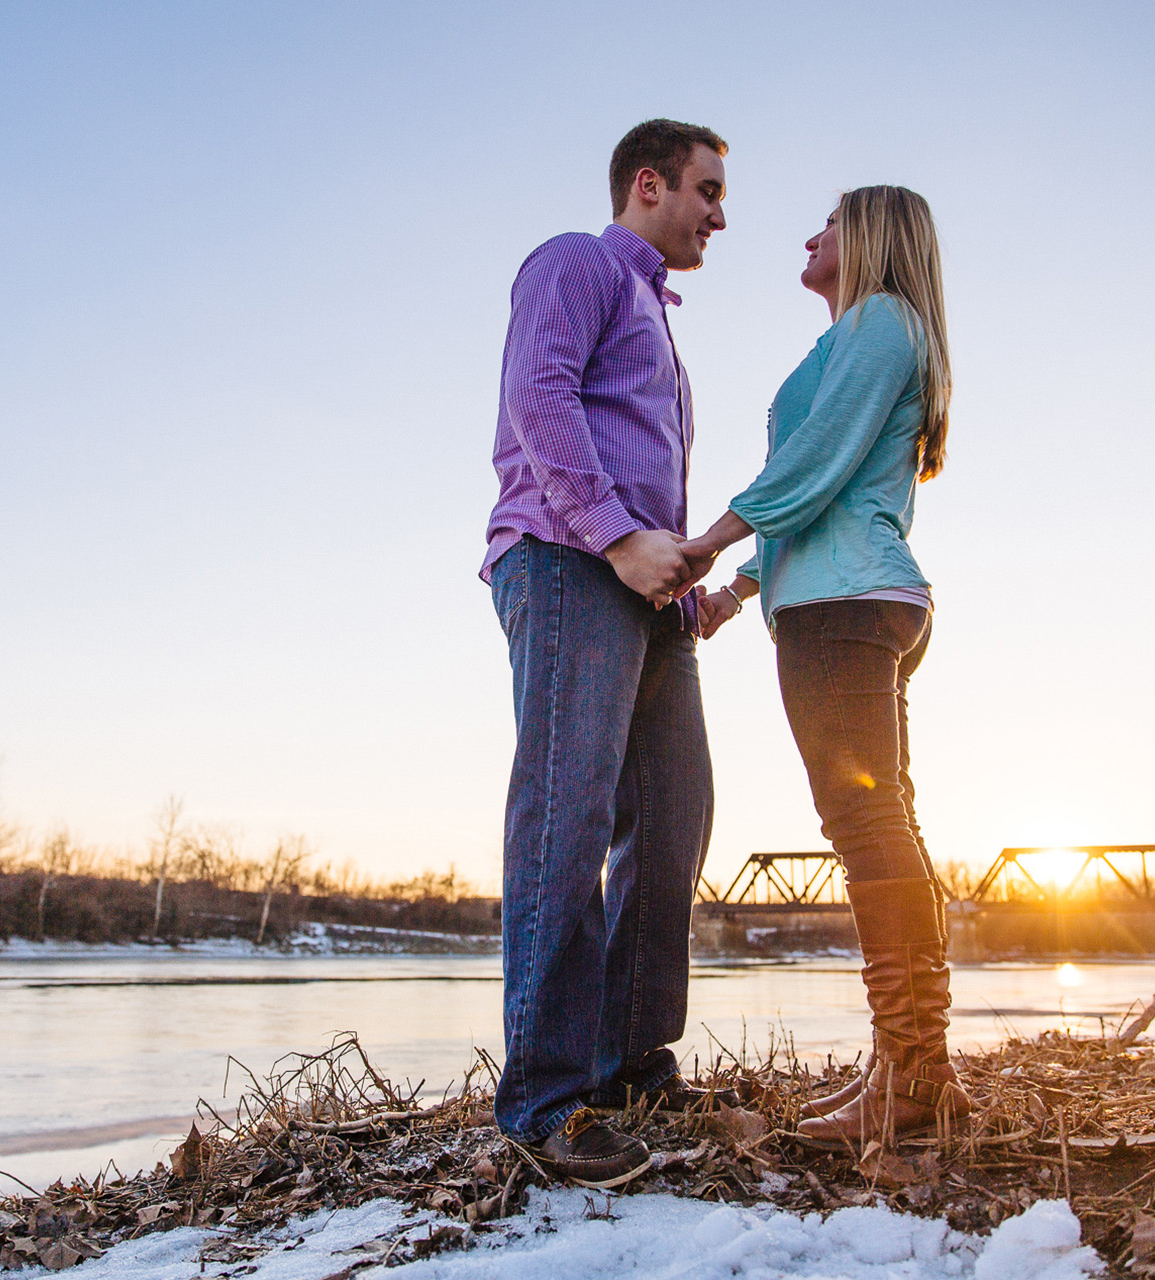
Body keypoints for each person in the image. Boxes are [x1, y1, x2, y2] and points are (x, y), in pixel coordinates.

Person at [682, 185, 969, 1146]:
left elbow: (813, 462)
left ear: (873, 238)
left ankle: (914, 1085)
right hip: (838, 595)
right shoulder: (851, 338)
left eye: (830, 223)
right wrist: (739, 588)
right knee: (883, 818)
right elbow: (828, 490)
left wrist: (711, 543)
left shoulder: (885, 321)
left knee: (864, 822)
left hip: (845, 607)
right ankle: (911, 1072)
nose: (809, 236)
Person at [481, 119, 732, 1187]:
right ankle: (545, 1099)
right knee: (566, 809)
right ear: (648, 183)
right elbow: (538, 397)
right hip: (566, 558)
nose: (721, 213)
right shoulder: (575, 263)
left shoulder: (664, 330)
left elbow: (648, 475)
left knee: (674, 814)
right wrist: (620, 536)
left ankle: (629, 1059)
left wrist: (682, 581)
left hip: (644, 591)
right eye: (707, 190)